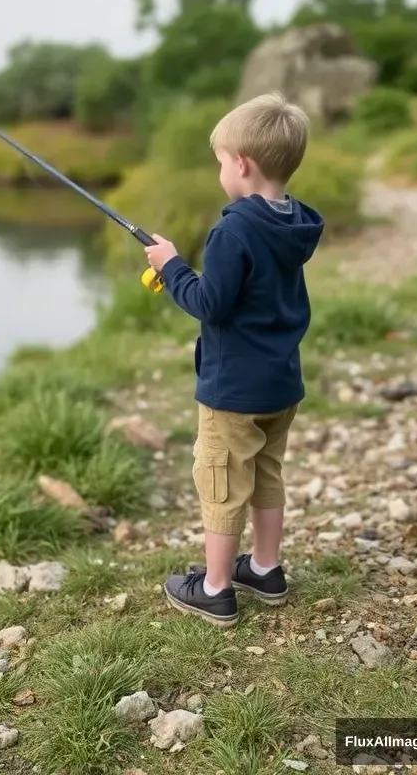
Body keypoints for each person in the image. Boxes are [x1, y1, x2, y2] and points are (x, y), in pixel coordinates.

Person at [143, 91, 325, 627]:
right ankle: (265, 569)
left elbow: (208, 303)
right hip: (280, 383)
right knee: (267, 473)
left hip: (233, 392)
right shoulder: (292, 223)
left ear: (241, 164)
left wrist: (172, 266)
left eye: (221, 161)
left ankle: (217, 588)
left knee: (221, 481)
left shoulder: (233, 229)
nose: (220, 170)